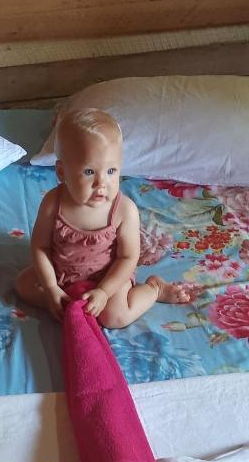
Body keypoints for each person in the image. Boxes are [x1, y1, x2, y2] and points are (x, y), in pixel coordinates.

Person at [15, 108, 196, 326]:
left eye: (111, 171)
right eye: (89, 172)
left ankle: (154, 289)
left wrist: (103, 291)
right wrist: (52, 288)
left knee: (115, 317)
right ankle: (66, 301)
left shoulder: (124, 210)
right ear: (62, 173)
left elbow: (127, 258)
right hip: (62, 274)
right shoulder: (54, 203)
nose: (102, 183)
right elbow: (40, 248)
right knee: (24, 285)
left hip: (108, 277)